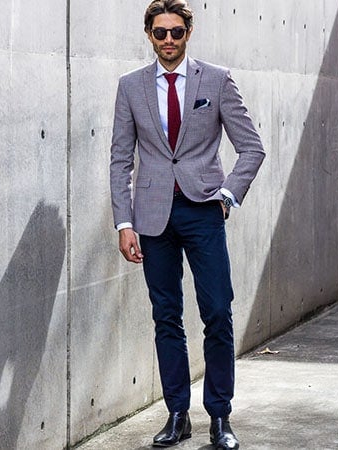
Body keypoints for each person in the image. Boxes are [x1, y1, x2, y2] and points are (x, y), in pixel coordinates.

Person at [109, 0, 264, 448]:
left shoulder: (215, 80)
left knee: (217, 312)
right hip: (152, 218)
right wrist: (124, 222)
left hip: (203, 212)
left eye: (177, 32)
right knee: (166, 317)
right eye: (161, 33)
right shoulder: (131, 87)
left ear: (188, 33)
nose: (169, 40)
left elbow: (251, 147)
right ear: (149, 35)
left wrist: (227, 197)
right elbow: (121, 159)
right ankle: (177, 413)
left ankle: (220, 416)